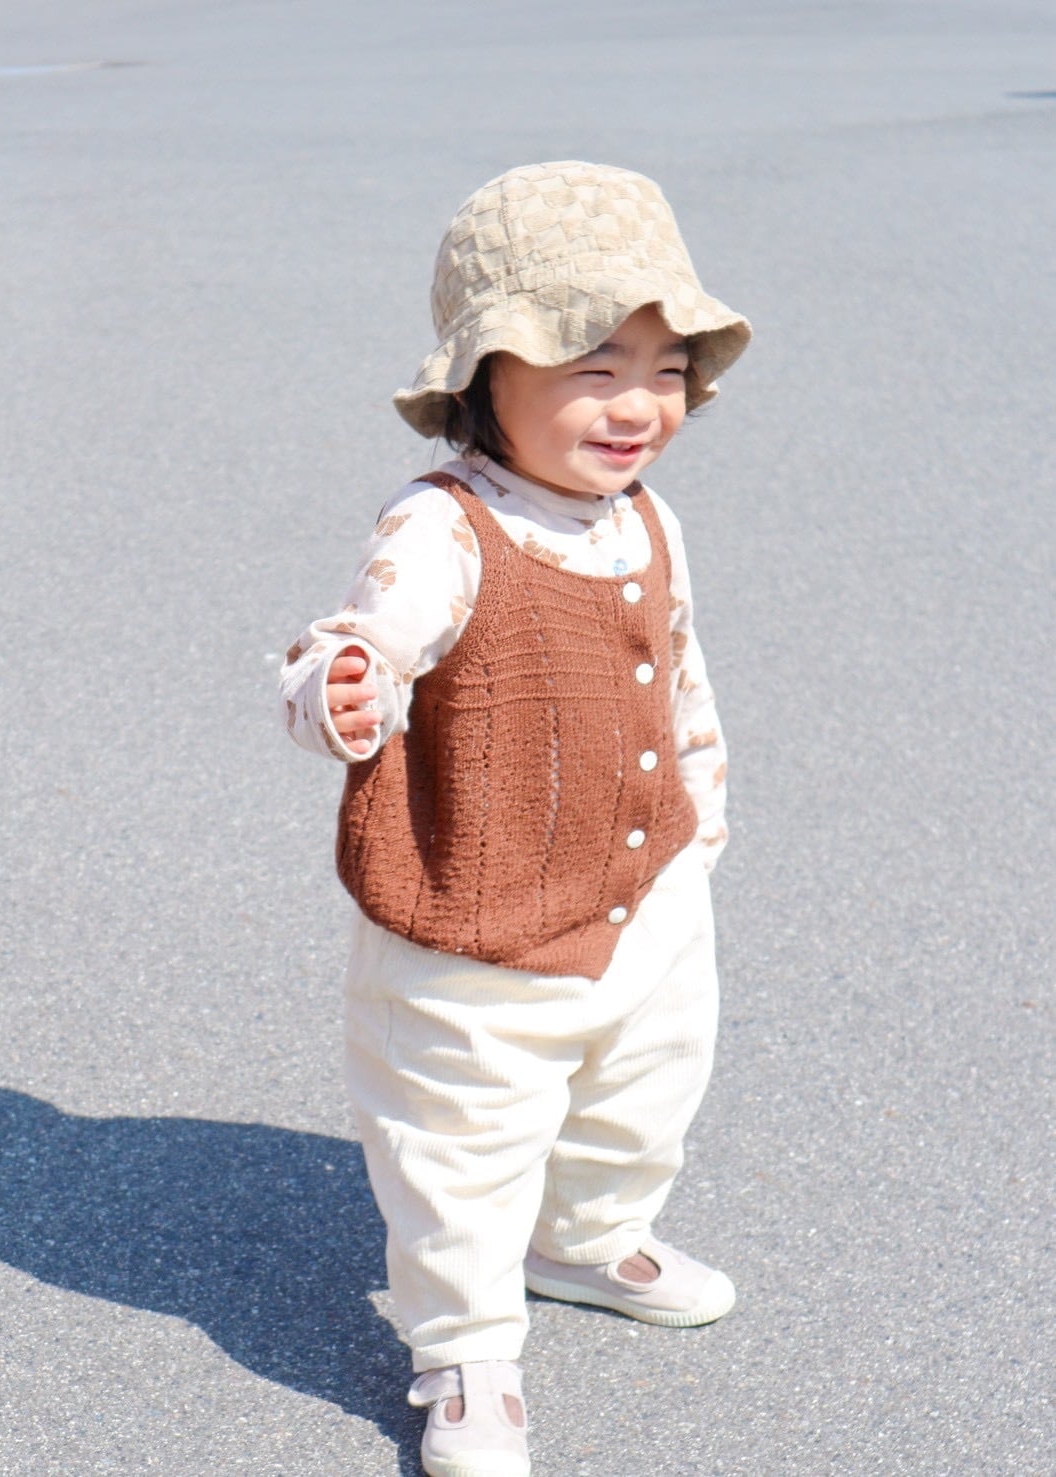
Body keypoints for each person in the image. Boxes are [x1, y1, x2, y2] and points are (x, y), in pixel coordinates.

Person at [279, 160, 751, 1477]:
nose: (637, 404)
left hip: (645, 897)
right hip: (474, 930)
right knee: (462, 1144)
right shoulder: (441, 530)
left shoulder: (648, 520)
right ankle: (466, 1348)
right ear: (487, 374)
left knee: (645, 1092)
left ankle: (585, 1240)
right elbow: (350, 647)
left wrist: (700, 818)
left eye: (666, 369)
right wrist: (342, 690)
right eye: (594, 366)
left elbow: (680, 670)